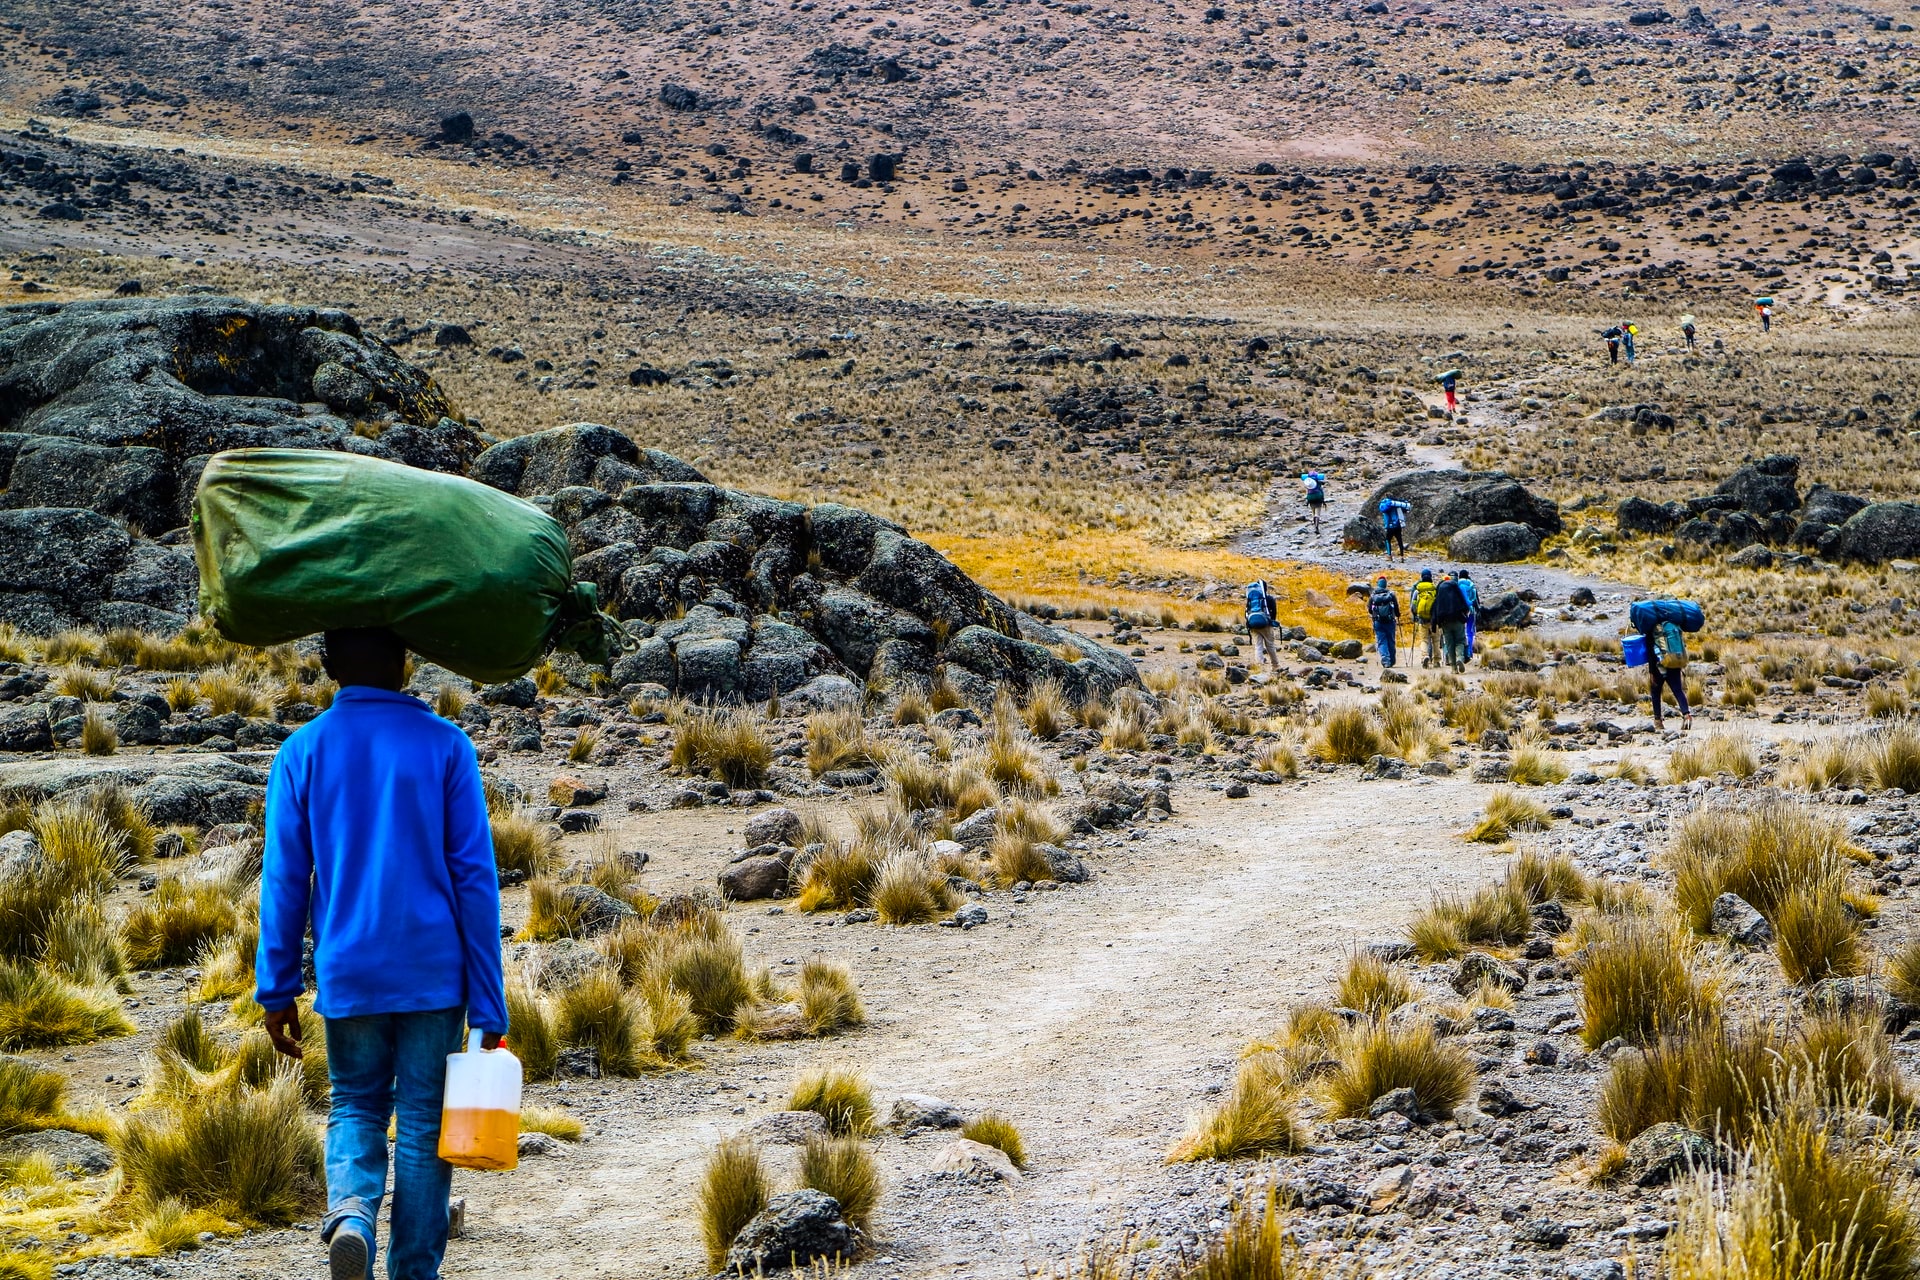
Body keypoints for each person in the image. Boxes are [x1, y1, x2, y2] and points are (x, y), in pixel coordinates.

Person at [259, 627, 508, 1280]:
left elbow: (285, 879)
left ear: (330, 666)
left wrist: (277, 989)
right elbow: (475, 880)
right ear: (405, 664)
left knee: (355, 1105)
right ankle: (414, 1272)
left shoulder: (301, 751)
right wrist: (489, 1002)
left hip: (351, 972)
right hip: (434, 975)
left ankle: (351, 1217)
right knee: (424, 1125)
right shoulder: (446, 746)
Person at [1632, 609, 1693, 732]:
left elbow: (1650, 652)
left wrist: (1651, 671)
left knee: (1656, 691)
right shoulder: (1673, 626)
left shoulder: (1652, 629)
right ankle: (1687, 715)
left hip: (1658, 665)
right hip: (1674, 661)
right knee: (1677, 690)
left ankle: (1658, 721)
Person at [1431, 572, 1471, 674]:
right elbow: (1464, 604)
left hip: (1445, 622)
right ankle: (1460, 658)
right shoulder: (1455, 588)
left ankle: (1453, 668)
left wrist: (1434, 625)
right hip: (1458, 620)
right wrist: (1465, 615)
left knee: (1449, 644)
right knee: (1460, 641)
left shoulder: (1440, 592)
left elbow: (1435, 609)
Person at [1244, 579, 1282, 672]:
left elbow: (1247, 611)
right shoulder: (1268, 599)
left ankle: (1259, 667)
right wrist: (1271, 621)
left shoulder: (1251, 599)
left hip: (1253, 624)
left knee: (1258, 646)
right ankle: (1275, 665)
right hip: (1266, 625)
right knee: (1270, 645)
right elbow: (1274, 612)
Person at [1368, 575, 1401, 670]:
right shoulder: (1391, 595)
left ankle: (1385, 660)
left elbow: (1370, 609)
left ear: (1378, 584)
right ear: (1385, 584)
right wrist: (1398, 615)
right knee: (1391, 640)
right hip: (1390, 621)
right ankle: (1392, 660)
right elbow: (1396, 607)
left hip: (1378, 622)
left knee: (1381, 641)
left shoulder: (1373, 596)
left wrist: (1374, 614)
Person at [1409, 568, 1438, 669]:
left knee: (1424, 640)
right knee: (1436, 640)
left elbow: (1413, 606)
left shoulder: (1417, 591)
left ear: (1421, 577)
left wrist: (1415, 615)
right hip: (1434, 620)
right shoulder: (1434, 589)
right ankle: (1436, 661)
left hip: (1422, 619)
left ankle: (1424, 656)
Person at [1456, 569, 1479, 660]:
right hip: (1471, 611)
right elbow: (1476, 600)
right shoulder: (1472, 586)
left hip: (1461, 612)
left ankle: (1462, 653)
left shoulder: (1457, 585)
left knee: (1461, 632)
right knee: (1470, 632)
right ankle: (1469, 652)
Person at [1301, 470, 1327, 534]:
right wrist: (1323, 501)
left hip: (1310, 498)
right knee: (1317, 514)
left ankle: (1314, 524)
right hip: (1318, 497)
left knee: (1313, 513)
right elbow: (1323, 485)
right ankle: (1316, 527)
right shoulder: (1318, 482)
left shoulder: (1308, 483)